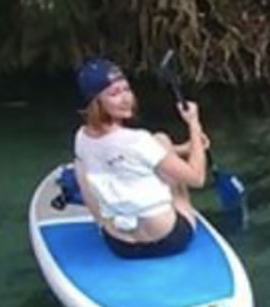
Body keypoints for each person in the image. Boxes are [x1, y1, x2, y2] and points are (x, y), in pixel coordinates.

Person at [71, 57, 208, 259]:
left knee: (79, 164)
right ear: (96, 102)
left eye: (126, 89)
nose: (126, 99)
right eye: (114, 94)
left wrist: (183, 148)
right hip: (169, 240)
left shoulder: (81, 138)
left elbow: (124, 157)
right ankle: (183, 206)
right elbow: (197, 178)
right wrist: (194, 125)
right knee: (161, 139)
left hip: (120, 244)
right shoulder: (138, 141)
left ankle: (101, 224)